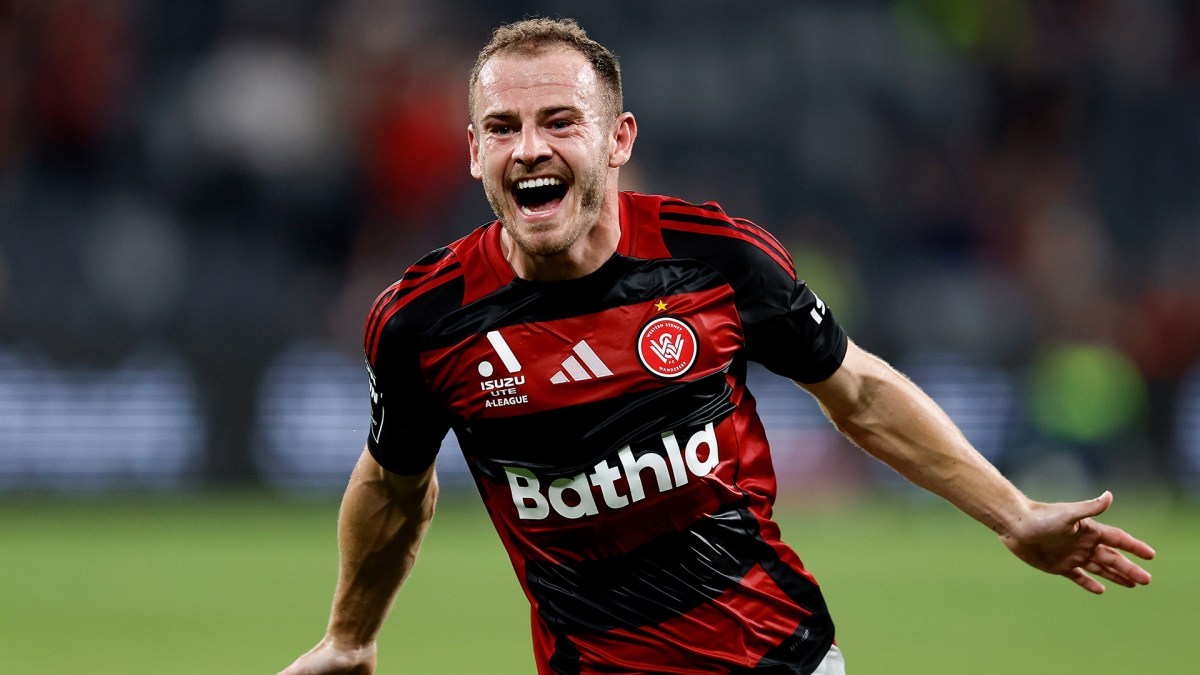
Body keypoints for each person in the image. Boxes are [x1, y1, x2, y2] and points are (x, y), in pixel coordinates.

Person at [279, 17, 1155, 675]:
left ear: (617, 140)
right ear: (474, 152)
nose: (530, 148)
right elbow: (392, 486)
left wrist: (1012, 512)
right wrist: (350, 636)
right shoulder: (425, 321)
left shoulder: (713, 258)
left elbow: (857, 390)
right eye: (503, 128)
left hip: (777, 656)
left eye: (560, 121)